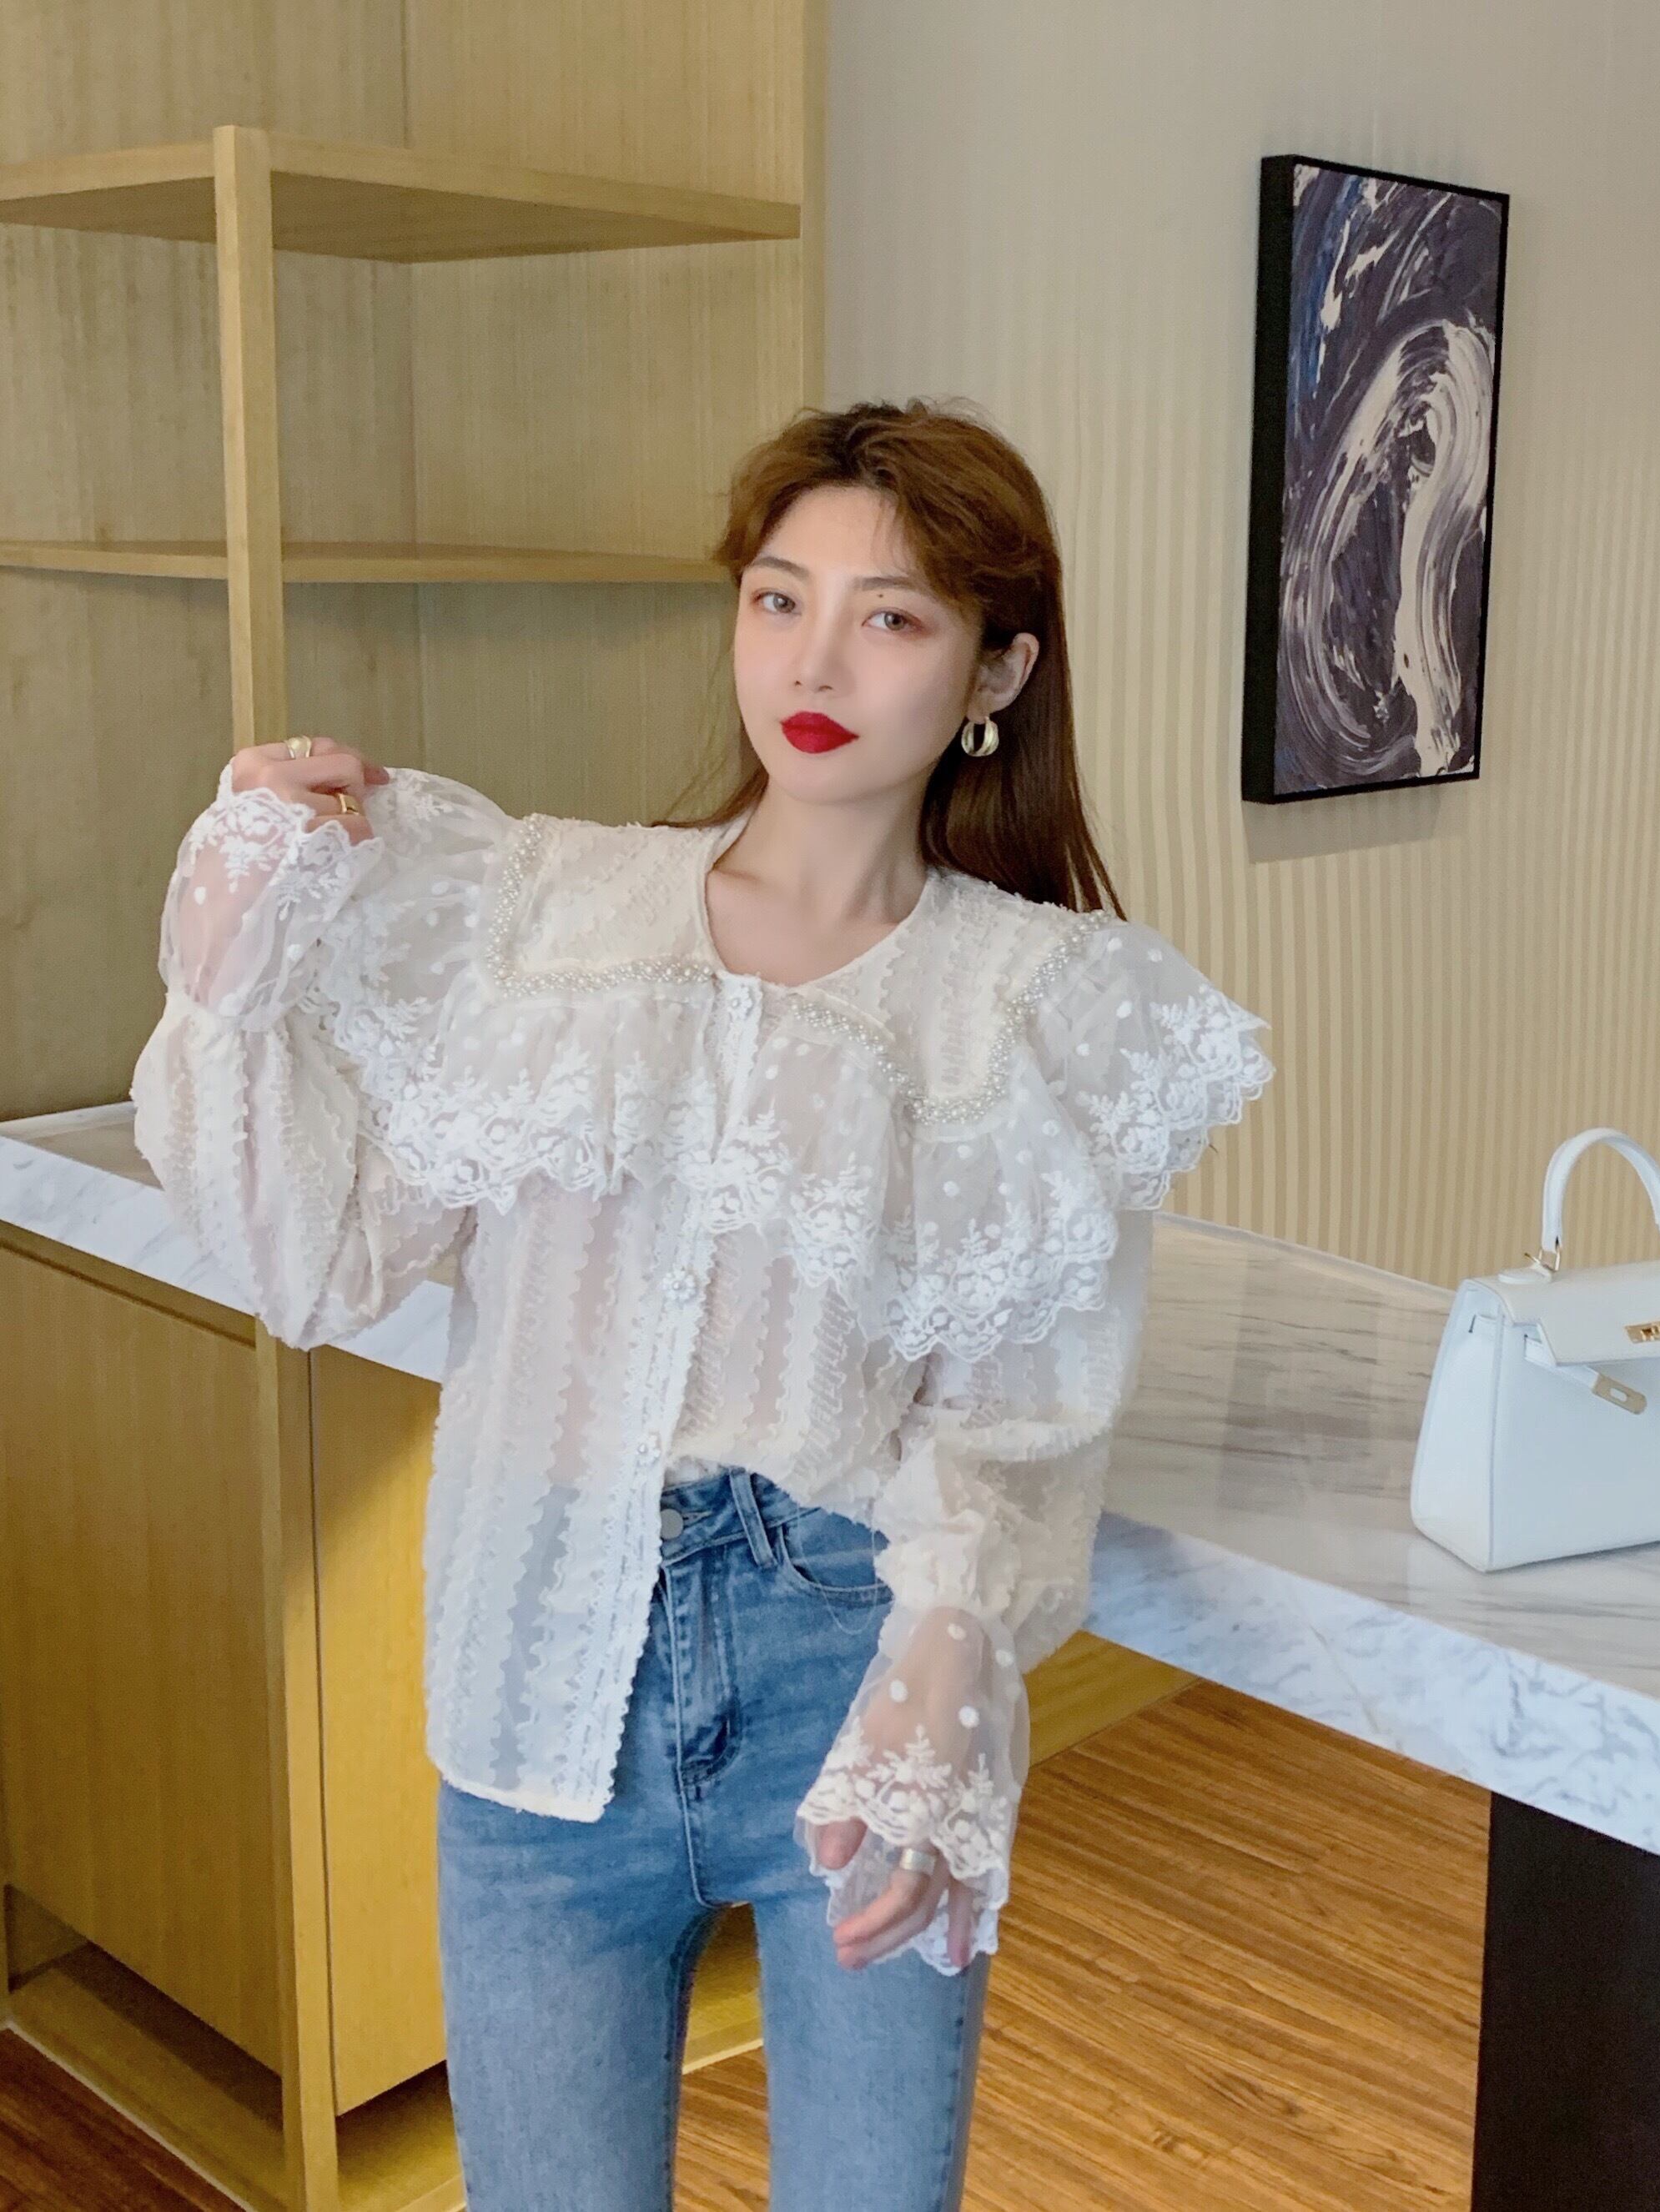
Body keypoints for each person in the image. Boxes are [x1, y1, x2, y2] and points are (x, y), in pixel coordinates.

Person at [128, 397, 1275, 2211]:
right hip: (537, 1662)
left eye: (891, 617)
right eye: (777, 598)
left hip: (852, 1669)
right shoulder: (547, 916)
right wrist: (232, 975)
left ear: (997, 670)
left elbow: (1022, 1409)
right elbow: (319, 1259)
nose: (814, 663)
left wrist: (954, 1650)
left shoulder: (1042, 1011)